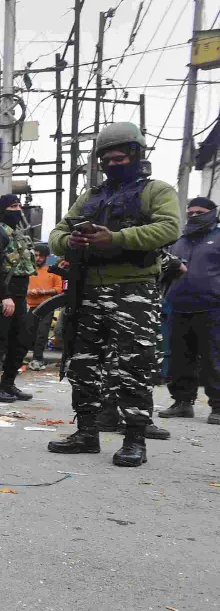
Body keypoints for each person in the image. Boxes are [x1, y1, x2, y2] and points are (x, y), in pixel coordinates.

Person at [46, 121, 180, 467]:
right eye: (106, 159)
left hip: (133, 290)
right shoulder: (91, 196)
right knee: (83, 363)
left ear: (136, 155)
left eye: (120, 157)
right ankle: (86, 433)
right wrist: (70, 241)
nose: (112, 164)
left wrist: (116, 239)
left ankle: (135, 439)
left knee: (134, 365)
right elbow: (58, 231)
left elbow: (169, 227)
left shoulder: (157, 191)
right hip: (87, 288)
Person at [159, 196, 219, 425]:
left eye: (200, 212)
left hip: (213, 308)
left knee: (214, 359)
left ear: (212, 213)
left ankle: (218, 407)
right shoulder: (179, 240)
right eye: (191, 213)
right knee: (179, 358)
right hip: (178, 307)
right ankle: (182, 403)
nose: (194, 216)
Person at [0, 194, 38, 402]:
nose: (18, 209)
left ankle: (8, 383)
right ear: (4, 209)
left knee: (21, 340)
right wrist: (4, 296)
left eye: (19, 205)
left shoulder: (17, 233)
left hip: (20, 296)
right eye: (13, 206)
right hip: (5, 294)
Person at [26, 244, 64, 370]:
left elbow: (59, 289)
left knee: (41, 334)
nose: (37, 259)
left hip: (46, 307)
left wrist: (43, 292)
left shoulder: (52, 272)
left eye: (40, 256)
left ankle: (38, 359)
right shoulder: (28, 270)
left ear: (46, 257)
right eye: (35, 255)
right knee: (27, 332)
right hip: (29, 306)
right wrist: (28, 291)